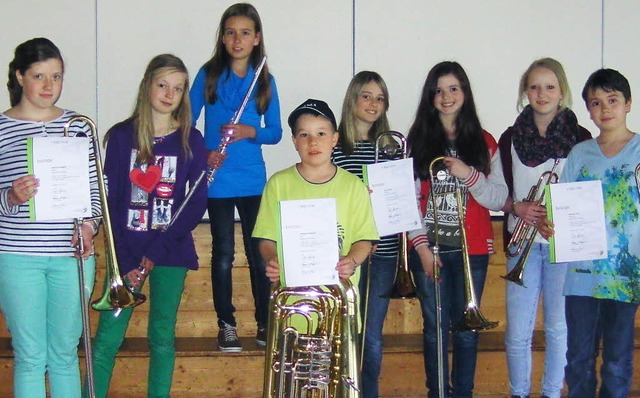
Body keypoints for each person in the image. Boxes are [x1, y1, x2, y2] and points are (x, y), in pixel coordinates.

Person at [86, 54, 207, 398]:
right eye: (163, 85)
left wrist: (153, 253)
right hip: (125, 252)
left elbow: (194, 202)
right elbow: (111, 203)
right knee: (107, 339)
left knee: (162, 337)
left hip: (170, 251)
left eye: (178, 88)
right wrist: (126, 261)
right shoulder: (122, 136)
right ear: (148, 86)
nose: (170, 94)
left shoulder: (191, 139)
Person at [0, 37, 99, 398]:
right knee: (29, 357)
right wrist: (11, 196)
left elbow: (96, 191)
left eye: (56, 77)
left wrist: (90, 227)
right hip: (16, 256)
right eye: (39, 76)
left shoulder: (79, 126)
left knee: (63, 355)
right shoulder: (0, 128)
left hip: (71, 256)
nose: (48, 86)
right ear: (19, 76)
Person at [406, 61, 508, 398]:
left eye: (453, 88)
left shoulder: (484, 141)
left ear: (464, 93)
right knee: (435, 329)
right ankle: (437, 393)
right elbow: (406, 201)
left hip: (473, 249)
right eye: (439, 90)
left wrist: (469, 174)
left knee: (467, 331)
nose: (446, 96)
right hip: (429, 248)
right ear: (430, 97)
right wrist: (420, 247)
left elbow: (499, 196)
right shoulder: (415, 141)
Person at [539, 68, 639, 398]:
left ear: (628, 104)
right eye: (596, 103)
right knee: (578, 359)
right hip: (581, 275)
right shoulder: (580, 153)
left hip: (625, 276)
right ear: (588, 110)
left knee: (617, 360)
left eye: (612, 100)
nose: (605, 109)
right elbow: (562, 209)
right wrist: (549, 224)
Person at [189, 2, 282, 352]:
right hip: (219, 181)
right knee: (224, 253)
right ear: (223, 38)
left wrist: (248, 130)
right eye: (231, 32)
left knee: (260, 254)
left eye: (245, 32)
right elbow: (188, 123)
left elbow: (275, 132)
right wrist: (204, 154)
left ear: (257, 38)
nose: (237, 39)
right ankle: (226, 325)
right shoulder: (208, 75)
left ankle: (265, 322)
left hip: (253, 181)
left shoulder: (265, 81)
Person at [498, 58, 592, 398]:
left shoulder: (581, 138)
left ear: (562, 91)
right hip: (521, 245)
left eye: (550, 86)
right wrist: (515, 206)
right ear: (526, 91)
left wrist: (564, 219)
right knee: (517, 333)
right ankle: (519, 393)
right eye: (535, 86)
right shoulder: (510, 137)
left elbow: (587, 192)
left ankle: (552, 393)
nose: (542, 93)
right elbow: (497, 191)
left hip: (561, 246)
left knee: (558, 329)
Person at [253, 97, 379, 301]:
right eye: (304, 134)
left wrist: (352, 261)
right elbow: (266, 238)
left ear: (335, 139)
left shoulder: (354, 186)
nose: (313, 142)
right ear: (295, 141)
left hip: (340, 297)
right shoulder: (278, 184)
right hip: (291, 297)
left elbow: (364, 238)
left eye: (321, 133)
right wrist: (272, 260)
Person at [330, 71, 397, 397]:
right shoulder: (334, 147)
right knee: (342, 331)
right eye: (367, 95)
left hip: (382, 253)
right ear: (353, 98)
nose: (373, 104)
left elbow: (397, 203)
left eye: (380, 98)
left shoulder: (390, 149)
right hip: (343, 254)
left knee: (371, 335)